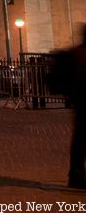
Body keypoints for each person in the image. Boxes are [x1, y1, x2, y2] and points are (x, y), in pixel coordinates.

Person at [55, 24, 86, 189]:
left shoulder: (76, 54)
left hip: (80, 104)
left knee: (80, 140)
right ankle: (76, 174)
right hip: (82, 104)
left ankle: (76, 174)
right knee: (81, 139)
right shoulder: (79, 55)